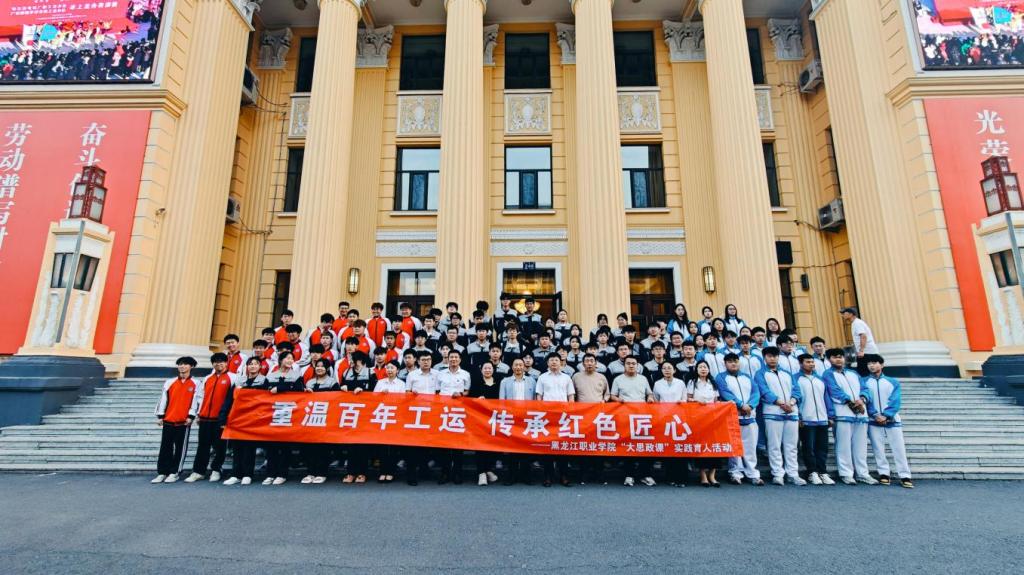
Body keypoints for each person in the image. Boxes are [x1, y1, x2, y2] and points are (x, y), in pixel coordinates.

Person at [822, 347, 876, 485]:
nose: (838, 359)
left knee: (861, 445)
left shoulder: (854, 373)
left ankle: (862, 473)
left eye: (840, 357)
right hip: (842, 413)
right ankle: (846, 473)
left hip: (861, 414)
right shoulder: (828, 374)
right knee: (843, 445)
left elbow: (864, 388)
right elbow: (834, 391)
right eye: (835, 357)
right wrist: (852, 403)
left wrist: (862, 399)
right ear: (829, 359)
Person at [184, 353, 237, 483]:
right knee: (203, 446)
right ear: (213, 364)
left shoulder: (233, 378)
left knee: (220, 447)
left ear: (226, 363)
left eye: (221, 361)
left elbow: (234, 398)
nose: (219, 364)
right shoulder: (207, 378)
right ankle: (198, 471)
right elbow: (200, 396)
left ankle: (216, 470)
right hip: (205, 418)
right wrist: (198, 414)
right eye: (216, 362)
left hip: (221, 419)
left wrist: (228, 416)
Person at [756, 347, 805, 486]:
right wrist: (781, 403)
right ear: (764, 358)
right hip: (773, 412)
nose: (773, 359)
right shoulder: (760, 374)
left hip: (791, 411)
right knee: (774, 445)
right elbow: (764, 391)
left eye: (775, 356)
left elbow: (796, 390)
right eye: (769, 356)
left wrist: (791, 402)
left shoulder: (787, 373)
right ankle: (777, 474)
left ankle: (793, 474)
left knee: (792, 446)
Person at [863, 354, 913, 488]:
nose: (871, 366)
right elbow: (867, 401)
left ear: (882, 365)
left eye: (874, 363)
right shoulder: (864, 382)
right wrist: (875, 415)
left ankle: (905, 475)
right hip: (873, 420)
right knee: (878, 448)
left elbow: (895, 400)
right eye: (869, 363)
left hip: (892, 420)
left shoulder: (893, 382)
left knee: (899, 448)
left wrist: (886, 415)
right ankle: (884, 473)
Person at [152, 356, 202, 484]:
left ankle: (174, 472)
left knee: (180, 448)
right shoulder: (170, 382)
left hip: (183, 421)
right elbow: (163, 399)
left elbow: (196, 400)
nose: (182, 366)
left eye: (185, 364)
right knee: (165, 448)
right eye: (180, 364)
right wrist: (160, 416)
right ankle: (162, 472)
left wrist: (191, 416)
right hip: (169, 419)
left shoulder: (196, 383)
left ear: (191, 366)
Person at [219, 356, 268, 486]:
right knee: (237, 447)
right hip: (237, 419)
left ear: (260, 366)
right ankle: (236, 474)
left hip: (253, 420)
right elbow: (229, 400)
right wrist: (223, 417)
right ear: (247, 366)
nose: (253, 366)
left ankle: (247, 474)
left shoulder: (264, 381)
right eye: (250, 364)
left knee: (249, 448)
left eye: (255, 364)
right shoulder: (239, 381)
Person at [717, 353, 763, 485]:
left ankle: (752, 473)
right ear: (725, 364)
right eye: (730, 361)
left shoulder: (747, 377)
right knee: (734, 446)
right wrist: (740, 404)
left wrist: (750, 405)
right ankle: (735, 472)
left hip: (750, 415)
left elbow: (756, 393)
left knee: (750, 447)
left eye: (735, 361)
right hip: (733, 416)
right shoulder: (721, 377)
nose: (733, 364)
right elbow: (725, 393)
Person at [610, 355, 655, 487]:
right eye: (628, 363)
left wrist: (650, 398)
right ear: (624, 365)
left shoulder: (643, 378)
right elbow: (612, 395)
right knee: (628, 447)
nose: (631, 365)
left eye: (633, 363)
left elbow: (649, 393)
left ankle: (645, 474)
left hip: (642, 417)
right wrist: (619, 400)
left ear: (637, 366)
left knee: (644, 447)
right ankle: (629, 475)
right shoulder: (618, 379)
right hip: (625, 416)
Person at [264, 351, 305, 485]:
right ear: (280, 360)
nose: (289, 360)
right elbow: (264, 391)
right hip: (273, 414)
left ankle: (282, 474)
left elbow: (299, 390)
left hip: (289, 414)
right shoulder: (271, 375)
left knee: (285, 446)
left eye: (291, 359)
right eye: (287, 358)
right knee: (271, 446)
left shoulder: (297, 375)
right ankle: (271, 473)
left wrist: (280, 388)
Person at [535, 353, 575, 487]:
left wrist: (570, 412)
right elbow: (539, 397)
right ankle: (548, 476)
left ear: (560, 362)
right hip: (547, 416)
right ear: (547, 363)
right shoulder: (542, 377)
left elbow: (571, 396)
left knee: (562, 446)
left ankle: (564, 476)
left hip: (563, 416)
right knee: (548, 447)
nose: (554, 362)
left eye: (556, 360)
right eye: (551, 360)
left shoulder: (566, 378)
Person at [298, 359, 340, 485]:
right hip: (311, 419)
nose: (319, 368)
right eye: (317, 366)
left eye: (322, 366)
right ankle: (310, 472)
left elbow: (336, 399)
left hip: (325, 418)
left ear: (327, 369)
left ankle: (322, 473)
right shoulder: (310, 382)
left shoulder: (332, 382)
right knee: (310, 447)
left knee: (322, 448)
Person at [795, 354, 835, 485]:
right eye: (808, 362)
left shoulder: (820, 379)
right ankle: (812, 472)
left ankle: (822, 472)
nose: (811, 364)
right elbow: (796, 398)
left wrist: (830, 415)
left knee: (822, 448)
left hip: (822, 419)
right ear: (800, 363)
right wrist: (799, 417)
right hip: (806, 419)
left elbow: (826, 398)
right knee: (808, 447)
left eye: (812, 362)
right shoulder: (796, 379)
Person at [499, 357, 538, 485]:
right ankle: (512, 476)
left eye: (520, 365)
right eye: (516, 365)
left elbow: (535, 400)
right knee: (512, 448)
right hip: (512, 417)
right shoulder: (505, 381)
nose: (518, 367)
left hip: (527, 418)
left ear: (524, 367)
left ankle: (526, 476)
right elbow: (502, 401)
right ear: (512, 367)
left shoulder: (532, 381)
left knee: (526, 447)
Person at [437, 350, 472, 484]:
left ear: (460, 359)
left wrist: (461, 394)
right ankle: (445, 473)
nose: (453, 359)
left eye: (456, 357)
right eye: (451, 357)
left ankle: (457, 473)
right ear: (448, 358)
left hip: (459, 412)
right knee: (444, 444)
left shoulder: (465, 374)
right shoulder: (441, 374)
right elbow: (437, 391)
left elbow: (467, 391)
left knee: (458, 444)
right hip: (444, 411)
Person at [340, 351, 376, 484]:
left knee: (362, 444)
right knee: (350, 444)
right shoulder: (346, 372)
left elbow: (374, 392)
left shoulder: (370, 373)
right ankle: (350, 472)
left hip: (365, 413)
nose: (350, 361)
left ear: (360, 361)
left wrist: (363, 391)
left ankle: (362, 472)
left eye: (353, 359)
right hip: (349, 412)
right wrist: (343, 388)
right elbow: (340, 388)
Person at [652, 362, 690, 487]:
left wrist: (681, 402)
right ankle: (670, 477)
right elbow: (656, 401)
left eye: (669, 368)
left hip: (678, 418)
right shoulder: (657, 384)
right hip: (664, 419)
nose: (667, 370)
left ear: (674, 370)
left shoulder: (680, 383)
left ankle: (682, 477)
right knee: (668, 448)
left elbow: (685, 399)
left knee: (680, 448)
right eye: (664, 368)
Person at [405, 351, 439, 485]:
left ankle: (424, 470)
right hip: (416, 414)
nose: (426, 362)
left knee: (427, 443)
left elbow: (439, 392)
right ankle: (411, 474)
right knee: (413, 445)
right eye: (423, 360)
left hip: (432, 412)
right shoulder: (412, 375)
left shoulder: (437, 374)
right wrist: (411, 394)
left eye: (428, 359)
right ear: (418, 361)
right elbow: (406, 393)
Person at [373, 362, 407, 483]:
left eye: (392, 368)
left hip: (395, 417)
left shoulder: (401, 384)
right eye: (388, 368)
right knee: (382, 445)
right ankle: (383, 471)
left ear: (397, 370)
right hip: (382, 416)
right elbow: (372, 398)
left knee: (392, 446)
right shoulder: (380, 382)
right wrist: (380, 395)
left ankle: (391, 471)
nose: (389, 370)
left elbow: (403, 400)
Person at [690, 361, 723, 487]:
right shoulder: (692, 382)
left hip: (713, 418)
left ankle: (712, 475)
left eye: (705, 367)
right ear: (696, 369)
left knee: (715, 446)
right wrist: (697, 401)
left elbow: (716, 400)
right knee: (702, 447)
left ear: (708, 369)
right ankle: (703, 475)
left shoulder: (713, 383)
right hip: (699, 418)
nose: (703, 369)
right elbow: (688, 399)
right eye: (700, 367)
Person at [469, 362, 501, 486]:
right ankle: (481, 473)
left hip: (494, 419)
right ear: (481, 369)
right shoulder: (476, 383)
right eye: (485, 368)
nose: (487, 370)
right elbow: (469, 400)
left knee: (492, 445)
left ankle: (488, 470)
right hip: (480, 419)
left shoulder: (499, 382)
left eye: (490, 368)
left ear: (493, 369)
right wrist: (477, 400)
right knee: (480, 446)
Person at [841, 307, 878, 377]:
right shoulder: (856, 323)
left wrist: (861, 351)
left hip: (866, 353)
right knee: (867, 374)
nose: (842, 315)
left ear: (851, 314)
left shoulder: (857, 323)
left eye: (844, 313)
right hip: (867, 352)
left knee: (864, 373)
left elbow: (863, 336)